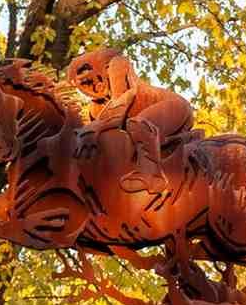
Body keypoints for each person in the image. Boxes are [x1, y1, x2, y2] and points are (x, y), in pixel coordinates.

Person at [67, 47, 194, 195]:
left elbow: (123, 99)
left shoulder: (116, 64)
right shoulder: (95, 108)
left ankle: (152, 176)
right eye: (86, 85)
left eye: (92, 80)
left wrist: (93, 128)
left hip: (174, 107)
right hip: (147, 127)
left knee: (137, 124)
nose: (95, 87)